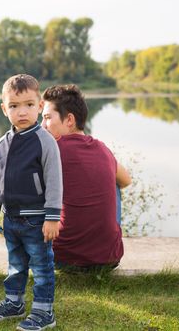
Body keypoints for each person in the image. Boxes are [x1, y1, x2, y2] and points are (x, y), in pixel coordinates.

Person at [0, 74, 62, 331]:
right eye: (14, 106)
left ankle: (43, 311)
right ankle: (14, 302)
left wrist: (52, 217)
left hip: (38, 219)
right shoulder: (2, 144)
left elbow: (54, 182)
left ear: (40, 106)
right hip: (12, 219)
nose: (22, 112)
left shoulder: (45, 141)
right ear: (4, 109)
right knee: (15, 264)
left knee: (41, 266)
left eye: (29, 105)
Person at [41, 84, 132, 272]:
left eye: (48, 118)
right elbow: (126, 180)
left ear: (69, 120)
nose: (43, 125)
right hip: (109, 259)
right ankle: (100, 244)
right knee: (113, 183)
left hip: (62, 259)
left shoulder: (51, 151)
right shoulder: (102, 149)